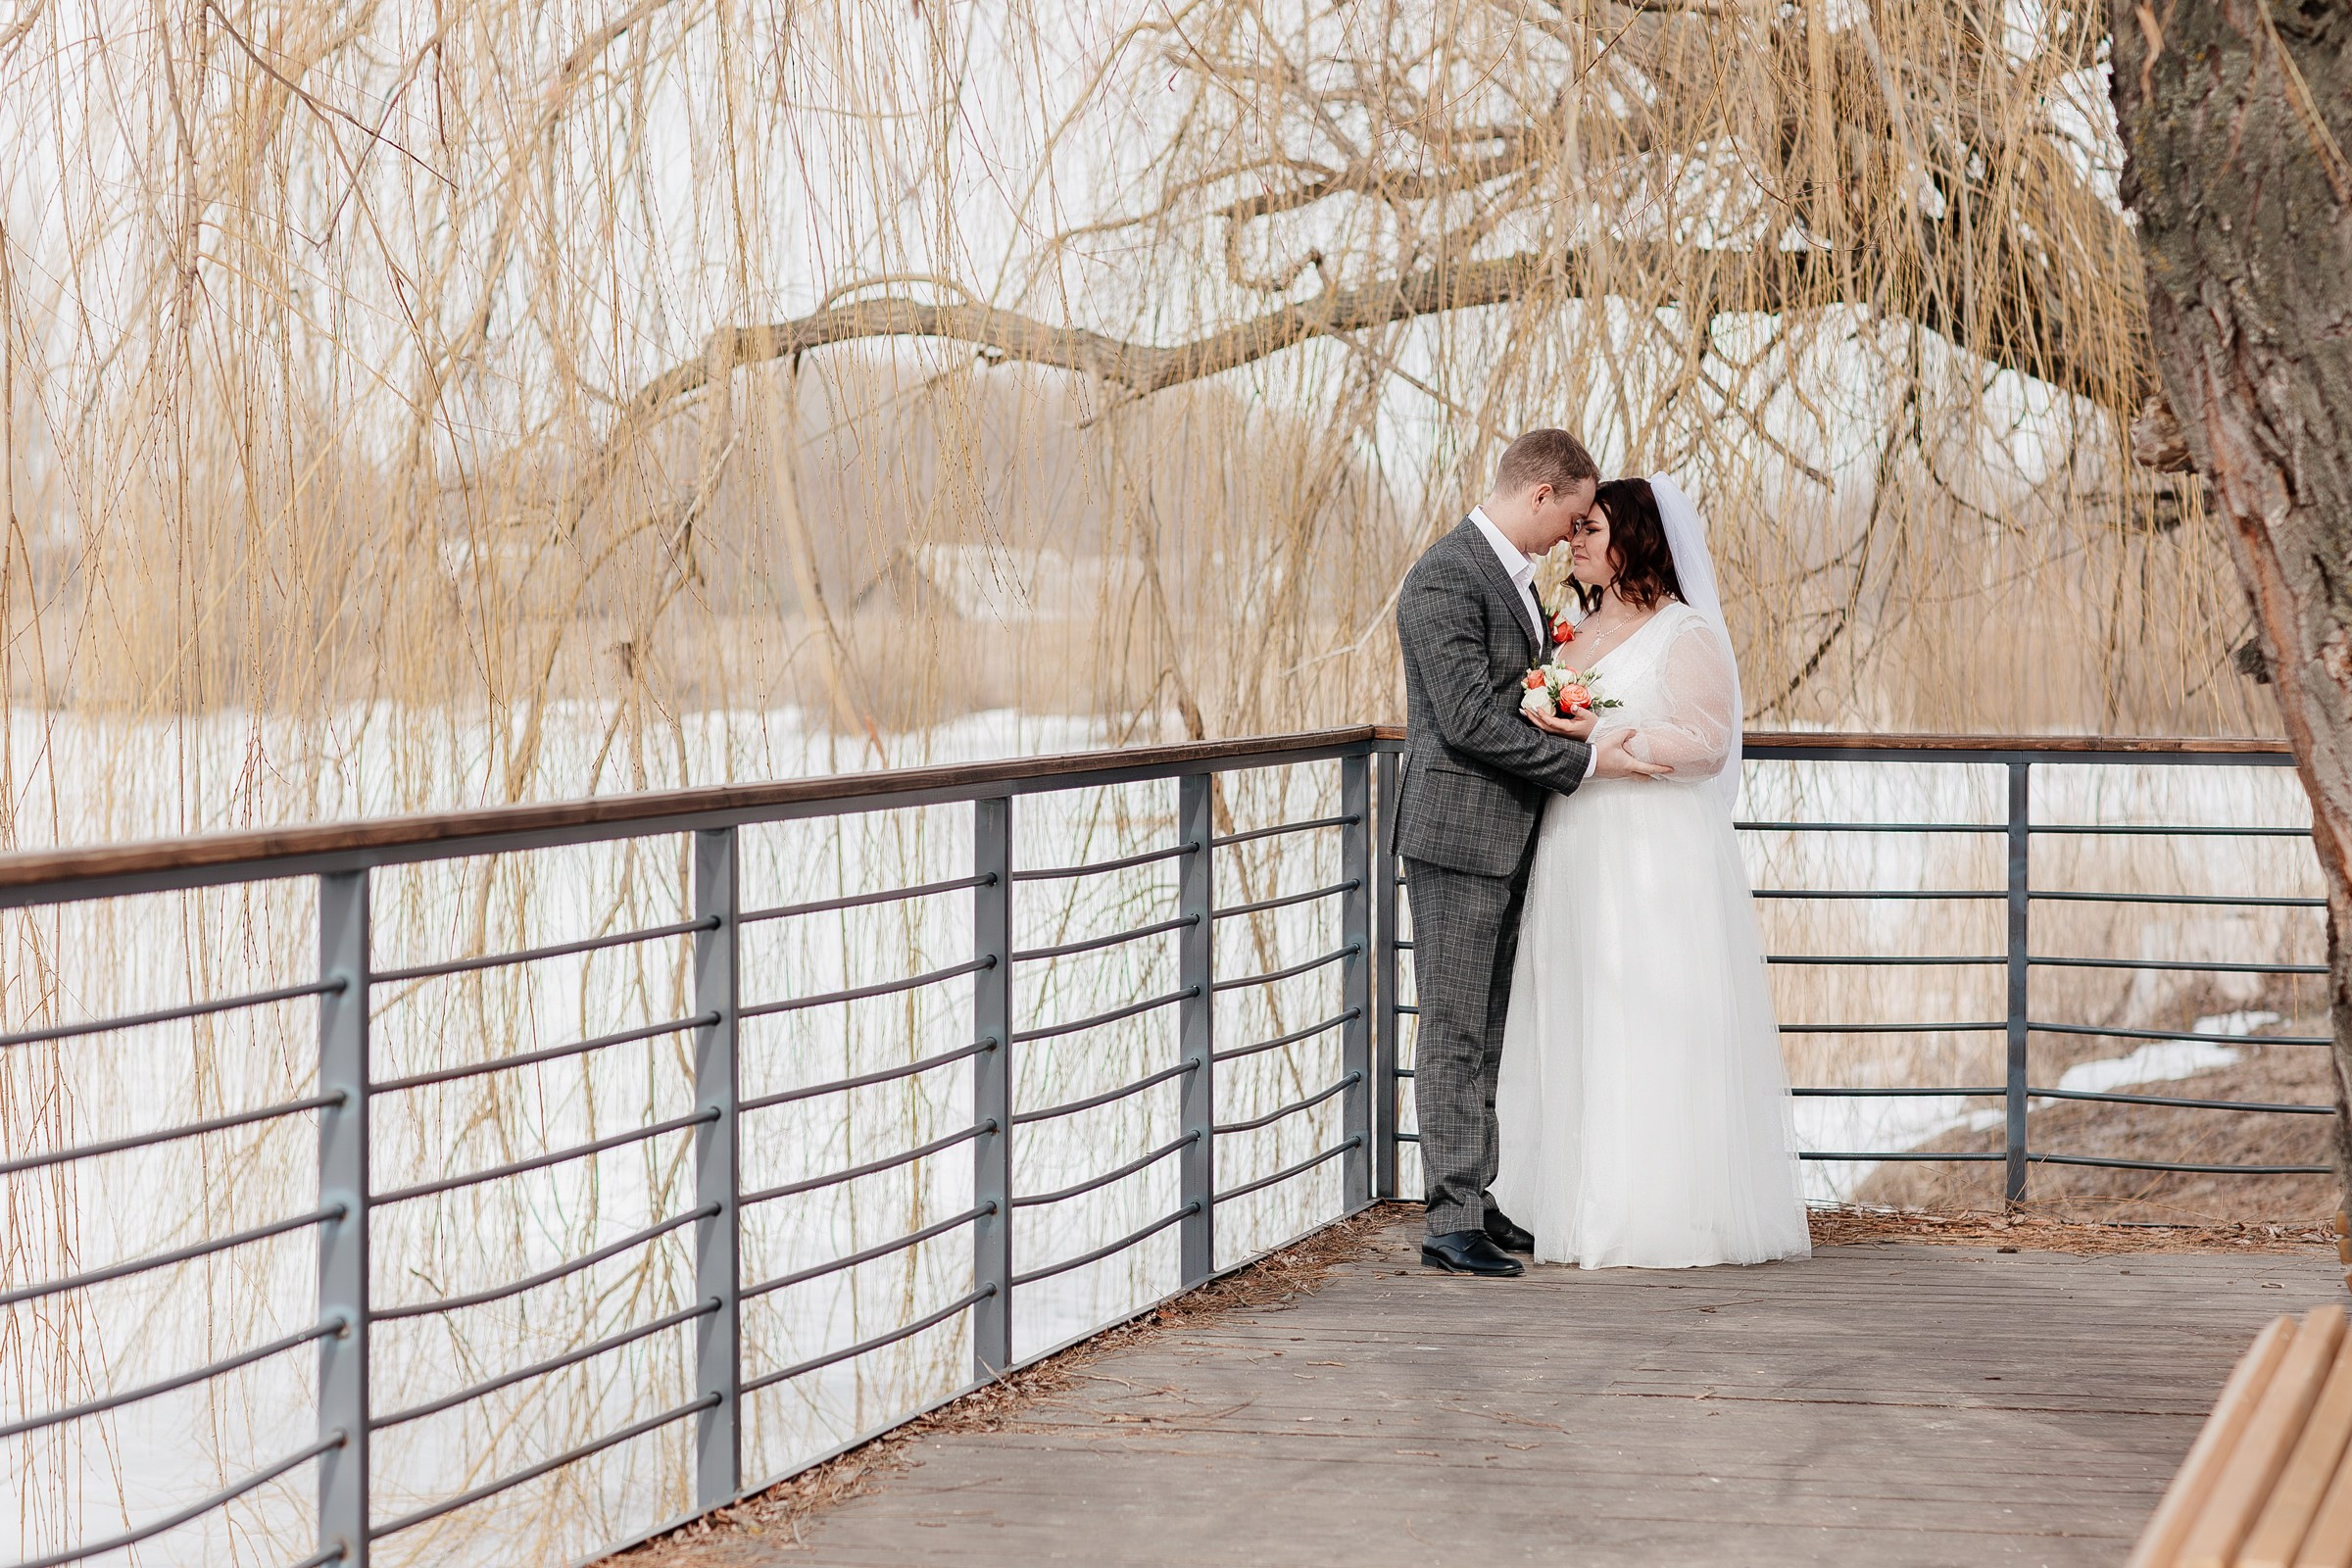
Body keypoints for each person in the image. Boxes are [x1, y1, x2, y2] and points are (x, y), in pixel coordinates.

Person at [1493, 474, 1812, 1269]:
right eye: (1575, 529)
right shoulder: (1573, 627)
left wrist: (1603, 737)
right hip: (1576, 840)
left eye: (1592, 530)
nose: (1575, 541)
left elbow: (1705, 745)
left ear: (1634, 541)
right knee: (1580, 1008)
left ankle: (1658, 1208)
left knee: (1649, 1015)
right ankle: (1571, 1202)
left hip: (1651, 850)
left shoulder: (1684, 631)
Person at [1391, 431, 1669, 1279]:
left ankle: (1476, 1198)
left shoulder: (1511, 577)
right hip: (1456, 836)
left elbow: (1516, 700)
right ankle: (1449, 1220)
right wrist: (1587, 762)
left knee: (1487, 1032)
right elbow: (1469, 719)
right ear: (1541, 495)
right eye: (1574, 517)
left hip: (1507, 832)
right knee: (1452, 1029)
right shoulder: (1445, 577)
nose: (1572, 536)